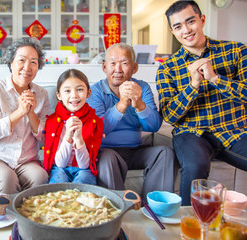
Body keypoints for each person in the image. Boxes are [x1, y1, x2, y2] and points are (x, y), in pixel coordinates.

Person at [156, 1, 247, 205]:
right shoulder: (167, 68)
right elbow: (170, 115)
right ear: (173, 31)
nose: (186, 30)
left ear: (202, 20)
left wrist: (216, 79)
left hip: (234, 130)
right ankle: (188, 224)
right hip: (192, 134)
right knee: (194, 166)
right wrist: (193, 85)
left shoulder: (235, 51)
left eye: (190, 21)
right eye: (178, 26)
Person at [87, 43, 176, 201]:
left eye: (125, 63)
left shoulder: (142, 87)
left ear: (134, 68)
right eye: (113, 63)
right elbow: (99, 129)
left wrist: (139, 104)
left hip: (136, 150)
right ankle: (120, 208)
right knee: (106, 156)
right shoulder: (95, 92)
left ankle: (153, 208)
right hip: (107, 151)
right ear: (104, 67)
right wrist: (121, 106)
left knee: (165, 153)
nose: (118, 69)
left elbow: (154, 126)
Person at [0, 38, 50, 194]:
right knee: (7, 179)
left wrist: (30, 113)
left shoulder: (42, 94)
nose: (27, 67)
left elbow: (45, 139)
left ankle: (28, 218)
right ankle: (2, 217)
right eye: (21, 60)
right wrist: (20, 112)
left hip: (26, 160)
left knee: (40, 177)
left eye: (34, 62)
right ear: (11, 62)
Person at [43, 69, 103, 185]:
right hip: (59, 167)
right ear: (59, 95)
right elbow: (60, 164)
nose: (74, 95)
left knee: (83, 183)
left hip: (84, 169)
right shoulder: (52, 121)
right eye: (67, 91)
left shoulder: (95, 122)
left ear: (88, 93)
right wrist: (68, 136)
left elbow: (85, 165)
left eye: (80, 89)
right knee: (58, 183)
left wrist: (79, 138)